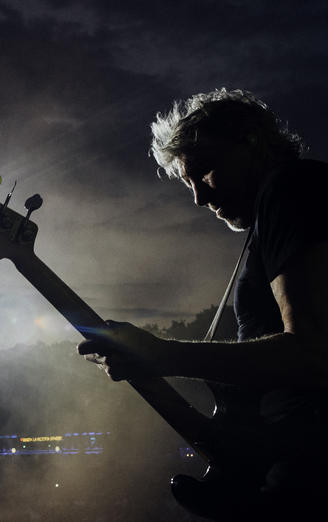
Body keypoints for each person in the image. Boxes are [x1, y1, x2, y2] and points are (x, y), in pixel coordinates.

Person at [76, 88, 328, 516]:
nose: (199, 198)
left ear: (250, 141)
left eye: (205, 171)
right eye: (188, 184)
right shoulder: (274, 212)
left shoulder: (290, 188)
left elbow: (314, 351)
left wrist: (161, 355)